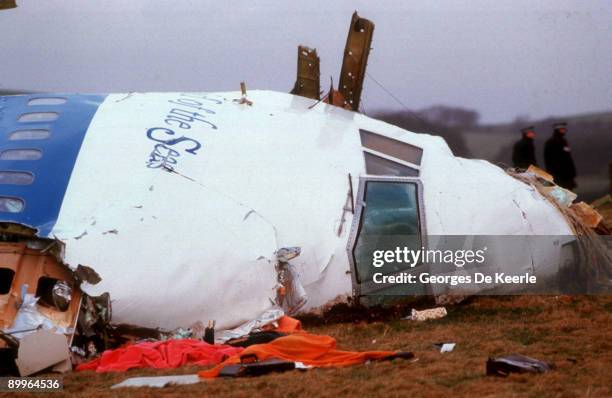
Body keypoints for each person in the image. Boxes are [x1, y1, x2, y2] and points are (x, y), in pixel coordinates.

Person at [544, 122, 577, 190]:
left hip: (567, 173)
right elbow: (548, 159)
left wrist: (572, 171)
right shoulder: (551, 142)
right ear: (557, 130)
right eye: (562, 129)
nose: (564, 131)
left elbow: (568, 158)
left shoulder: (563, 141)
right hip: (558, 174)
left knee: (570, 191)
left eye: (564, 129)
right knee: (561, 191)